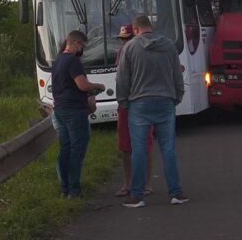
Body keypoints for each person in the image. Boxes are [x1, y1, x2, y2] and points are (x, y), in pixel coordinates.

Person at [116, 15, 188, 208]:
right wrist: (177, 96)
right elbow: (176, 74)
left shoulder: (130, 48)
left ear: (136, 29)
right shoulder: (168, 46)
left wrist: (123, 102)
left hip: (139, 104)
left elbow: (122, 79)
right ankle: (176, 193)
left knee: (138, 150)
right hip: (165, 101)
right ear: (151, 27)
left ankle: (137, 195)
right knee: (168, 148)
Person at [51, 30, 105, 198]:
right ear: (75, 43)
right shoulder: (73, 61)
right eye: (82, 45)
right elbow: (82, 85)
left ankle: (64, 188)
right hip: (74, 111)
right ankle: (74, 190)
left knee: (65, 149)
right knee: (77, 149)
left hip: (59, 109)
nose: (83, 49)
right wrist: (99, 86)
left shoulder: (58, 60)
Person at [114, 24, 155, 197]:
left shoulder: (146, 53)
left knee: (145, 144)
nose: (125, 42)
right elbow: (119, 79)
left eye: (128, 38)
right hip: (126, 103)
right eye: (123, 39)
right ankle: (129, 182)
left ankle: (146, 183)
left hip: (143, 101)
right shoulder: (121, 53)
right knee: (126, 146)